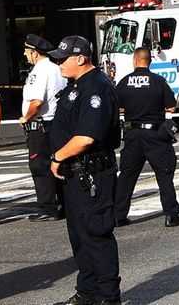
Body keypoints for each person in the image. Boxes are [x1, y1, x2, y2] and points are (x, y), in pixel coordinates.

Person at [47, 35, 122, 305]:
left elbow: (86, 138)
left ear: (80, 58)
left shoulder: (96, 88)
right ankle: (88, 292)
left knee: (96, 234)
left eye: (62, 58)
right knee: (80, 237)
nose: (58, 64)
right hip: (76, 175)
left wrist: (56, 157)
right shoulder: (77, 84)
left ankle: (108, 297)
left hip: (91, 172)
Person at [114, 47, 179, 228]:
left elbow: (116, 105)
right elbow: (171, 107)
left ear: (135, 60)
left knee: (127, 176)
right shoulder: (158, 81)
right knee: (164, 175)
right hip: (155, 135)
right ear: (149, 61)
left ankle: (118, 216)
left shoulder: (124, 82)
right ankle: (171, 215)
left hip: (132, 135)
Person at [20, 34, 68, 222]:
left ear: (35, 53)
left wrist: (25, 117)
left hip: (40, 126)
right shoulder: (57, 68)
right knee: (58, 163)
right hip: (56, 124)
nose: (25, 55)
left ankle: (48, 208)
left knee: (40, 165)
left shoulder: (39, 71)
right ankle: (63, 204)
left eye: (27, 51)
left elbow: (37, 101)